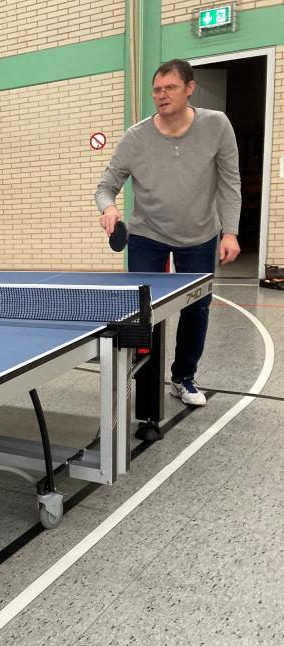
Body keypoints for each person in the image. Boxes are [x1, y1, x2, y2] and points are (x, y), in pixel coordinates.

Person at [95, 58, 241, 407]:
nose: (161, 95)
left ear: (189, 88)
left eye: (170, 88)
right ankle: (142, 379)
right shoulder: (135, 137)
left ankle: (183, 378)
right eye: (157, 89)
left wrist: (231, 232)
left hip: (200, 235)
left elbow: (230, 182)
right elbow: (105, 186)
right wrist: (109, 208)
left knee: (197, 309)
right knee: (144, 312)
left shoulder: (216, 125)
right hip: (147, 235)